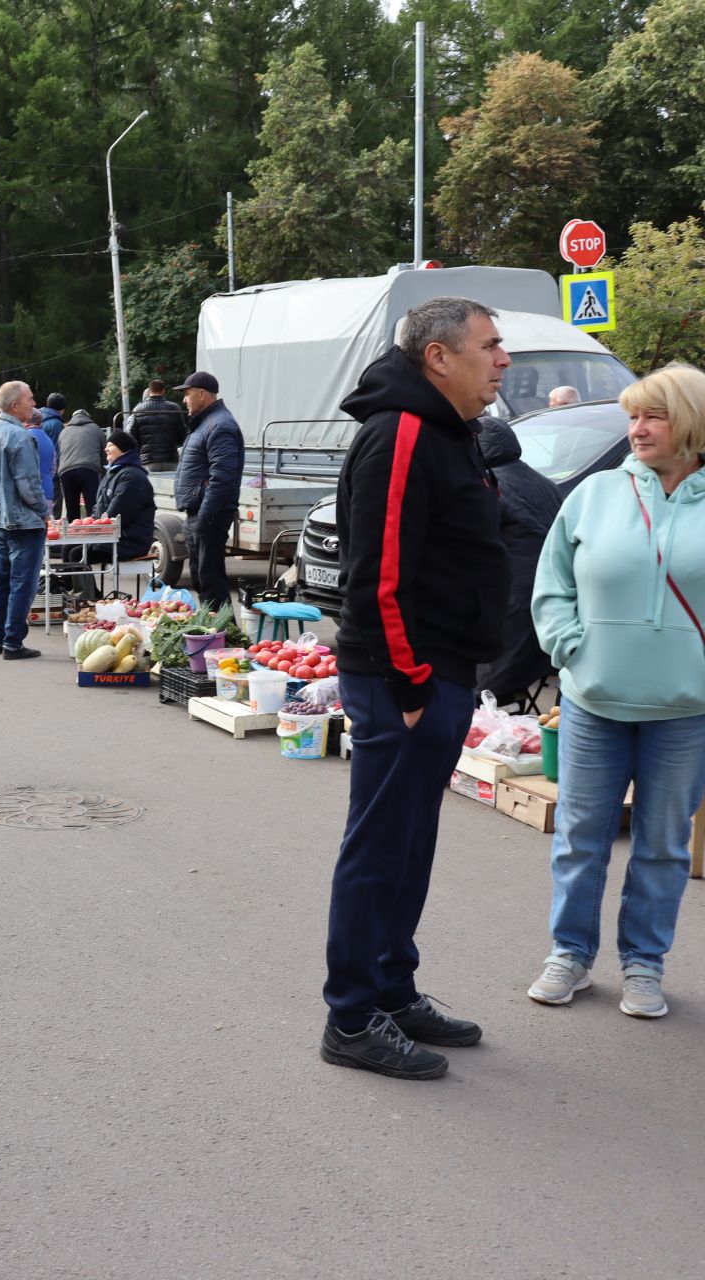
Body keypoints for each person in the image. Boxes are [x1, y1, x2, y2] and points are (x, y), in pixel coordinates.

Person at [320, 296, 511, 1081]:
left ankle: (393, 990)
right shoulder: (400, 431)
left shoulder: (445, 431)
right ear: (439, 356)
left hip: (440, 672)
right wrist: (408, 681)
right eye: (491, 346)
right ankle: (352, 1016)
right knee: (378, 846)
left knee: (411, 842)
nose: (503, 359)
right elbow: (379, 570)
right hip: (406, 677)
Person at [528, 363, 705, 1019]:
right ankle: (570, 954)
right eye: (632, 416)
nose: (637, 429)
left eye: (652, 416)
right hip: (594, 701)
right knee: (580, 837)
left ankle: (644, 965)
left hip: (686, 709)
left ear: (689, 422)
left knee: (663, 845)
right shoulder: (595, 494)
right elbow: (552, 586)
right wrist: (572, 646)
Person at [472, 416, 562, 705]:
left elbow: (474, 547)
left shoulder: (489, 485)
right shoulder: (545, 482)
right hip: (547, 606)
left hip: (508, 610)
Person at [0, 380, 48, 660]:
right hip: (24, 521)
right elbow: (28, 484)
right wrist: (44, 510)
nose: (34, 403)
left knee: (3, 582)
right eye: (30, 399)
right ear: (15, 405)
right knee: (23, 584)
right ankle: (13, 643)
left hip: (0, 519)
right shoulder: (21, 437)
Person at [171, 372, 243, 607]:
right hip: (200, 511)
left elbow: (222, 478)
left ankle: (222, 635)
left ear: (202, 394)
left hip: (209, 513)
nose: (184, 400)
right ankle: (215, 633)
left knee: (211, 580)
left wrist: (205, 516)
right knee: (203, 579)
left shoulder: (219, 425)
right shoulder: (205, 423)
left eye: (187, 394)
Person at [90, 430, 156, 562]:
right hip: (112, 536)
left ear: (122, 449)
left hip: (128, 541)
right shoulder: (113, 472)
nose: (105, 448)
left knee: (77, 552)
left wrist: (94, 530)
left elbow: (119, 514)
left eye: (110, 445)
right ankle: (76, 584)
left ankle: (79, 584)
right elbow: (98, 508)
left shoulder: (131, 476)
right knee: (71, 548)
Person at [53, 409, 103, 521]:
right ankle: (94, 534)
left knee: (72, 512)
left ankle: (73, 534)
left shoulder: (64, 431)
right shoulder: (95, 429)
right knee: (93, 509)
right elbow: (103, 454)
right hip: (89, 469)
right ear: (88, 417)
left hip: (66, 471)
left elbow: (59, 453)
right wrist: (104, 476)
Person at [129, 379, 186, 473]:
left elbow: (132, 436)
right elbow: (182, 435)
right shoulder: (174, 408)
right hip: (170, 459)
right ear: (163, 391)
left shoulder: (138, 410)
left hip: (148, 460)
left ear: (149, 391)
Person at [27, 405, 57, 516]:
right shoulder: (48, 440)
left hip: (30, 495)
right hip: (48, 491)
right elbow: (53, 468)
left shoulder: (25, 437)